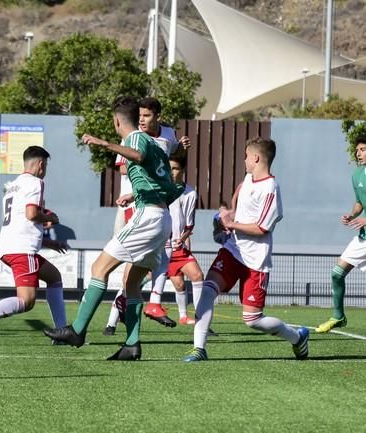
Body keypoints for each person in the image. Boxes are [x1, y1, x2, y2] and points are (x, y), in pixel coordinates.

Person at [44, 96, 183, 361]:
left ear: (116, 120)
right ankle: (131, 345)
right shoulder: (157, 145)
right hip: (161, 216)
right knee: (131, 284)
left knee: (99, 268)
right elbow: (168, 187)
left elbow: (137, 154)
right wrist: (137, 196)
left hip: (148, 217)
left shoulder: (134, 138)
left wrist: (104, 143)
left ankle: (77, 331)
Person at [183, 137, 309, 362]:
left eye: (246, 156)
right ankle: (199, 349)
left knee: (253, 320)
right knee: (208, 290)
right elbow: (238, 204)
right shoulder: (248, 178)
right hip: (233, 251)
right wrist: (227, 216)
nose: (244, 160)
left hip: (255, 262)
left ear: (256, 158)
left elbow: (262, 228)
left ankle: (297, 337)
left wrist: (232, 224)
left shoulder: (271, 187)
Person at [0, 146, 68, 345]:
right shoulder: (36, 182)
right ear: (41, 164)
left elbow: (21, 222)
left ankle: (61, 333)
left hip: (10, 245)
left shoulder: (13, 186)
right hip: (21, 250)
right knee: (26, 301)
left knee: (54, 276)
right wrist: (51, 217)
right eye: (46, 165)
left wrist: (48, 242)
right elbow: (31, 214)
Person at [103, 97, 191, 334]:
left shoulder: (169, 135)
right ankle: (117, 317)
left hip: (157, 202)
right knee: (120, 269)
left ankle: (141, 311)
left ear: (158, 117)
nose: (141, 119)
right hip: (134, 203)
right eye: (139, 115)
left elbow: (172, 161)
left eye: (147, 115)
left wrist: (180, 150)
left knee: (156, 262)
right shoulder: (132, 136)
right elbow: (124, 164)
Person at [316, 135, 366, 333]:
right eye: (357, 150)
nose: (358, 153)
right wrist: (352, 214)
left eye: (362, 149)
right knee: (337, 274)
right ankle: (338, 316)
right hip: (363, 237)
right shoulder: (357, 174)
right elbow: (359, 202)